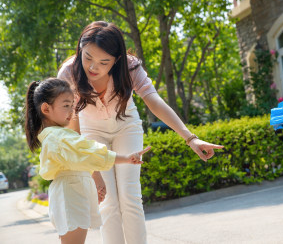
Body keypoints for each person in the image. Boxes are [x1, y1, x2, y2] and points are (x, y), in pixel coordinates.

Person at [57, 21, 223, 244]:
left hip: (127, 127)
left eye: (103, 62)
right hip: (90, 132)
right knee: (107, 202)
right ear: (80, 48)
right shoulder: (68, 72)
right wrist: (93, 171)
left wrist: (190, 138)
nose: (93, 67)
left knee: (130, 197)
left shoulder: (130, 66)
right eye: (87, 57)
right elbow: (71, 124)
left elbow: (154, 101)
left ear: (116, 60)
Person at [24, 78, 151, 244]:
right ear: (46, 108)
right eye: (65, 105)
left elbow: (81, 161)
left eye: (72, 105)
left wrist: (92, 188)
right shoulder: (60, 137)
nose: (72, 111)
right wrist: (126, 158)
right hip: (70, 196)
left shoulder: (57, 136)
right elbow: (91, 153)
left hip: (70, 193)